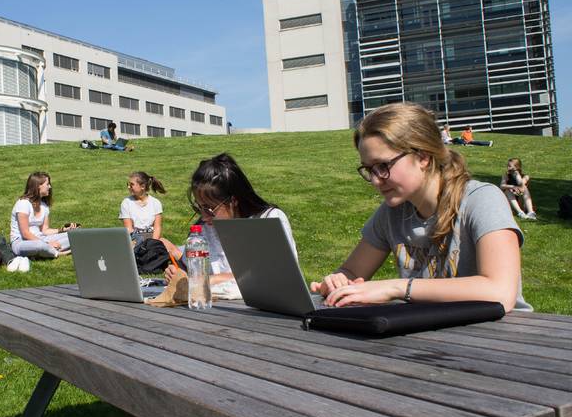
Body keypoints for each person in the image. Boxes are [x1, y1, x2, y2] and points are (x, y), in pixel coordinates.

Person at [310, 103, 531, 312]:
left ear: (423, 157)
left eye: (383, 166)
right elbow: (352, 272)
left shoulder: (481, 199)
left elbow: (501, 291)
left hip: (504, 339)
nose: (376, 180)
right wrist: (337, 281)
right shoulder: (392, 213)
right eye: (369, 169)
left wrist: (398, 288)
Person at [162, 153, 297, 286]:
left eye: (209, 209)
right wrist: (178, 274)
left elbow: (279, 276)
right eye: (199, 207)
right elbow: (192, 274)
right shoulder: (203, 229)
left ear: (233, 200)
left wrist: (213, 280)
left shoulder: (269, 220)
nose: (203, 216)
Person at [9, 172, 78, 259]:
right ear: (38, 186)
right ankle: (58, 253)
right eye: (47, 184)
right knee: (39, 245)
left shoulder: (44, 206)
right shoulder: (23, 204)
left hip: (41, 238)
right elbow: (25, 234)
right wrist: (47, 244)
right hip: (22, 242)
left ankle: (44, 252)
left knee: (75, 235)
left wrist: (63, 230)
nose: (50, 187)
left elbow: (45, 230)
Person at [120, 171, 167, 244]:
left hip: (152, 237)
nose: (129, 187)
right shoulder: (126, 203)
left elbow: (157, 227)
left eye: (132, 184)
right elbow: (128, 229)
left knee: (168, 246)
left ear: (142, 186)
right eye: (128, 184)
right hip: (135, 238)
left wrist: (153, 243)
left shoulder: (155, 203)